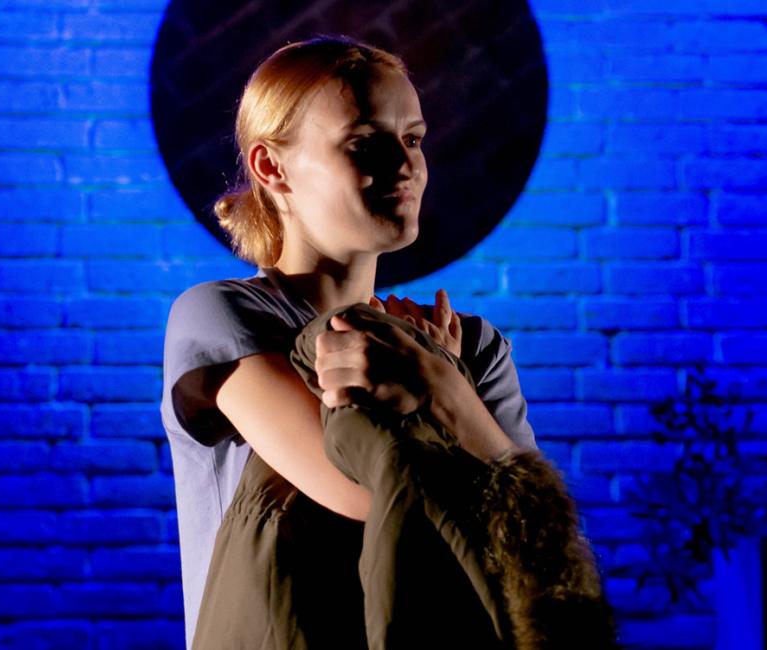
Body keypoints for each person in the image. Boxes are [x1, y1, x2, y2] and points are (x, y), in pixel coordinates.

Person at [160, 35, 546, 647]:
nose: (407, 164)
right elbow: (365, 496)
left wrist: (444, 380)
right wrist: (447, 397)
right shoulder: (222, 317)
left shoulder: (471, 348)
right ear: (271, 167)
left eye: (414, 139)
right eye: (365, 143)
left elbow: (536, 548)